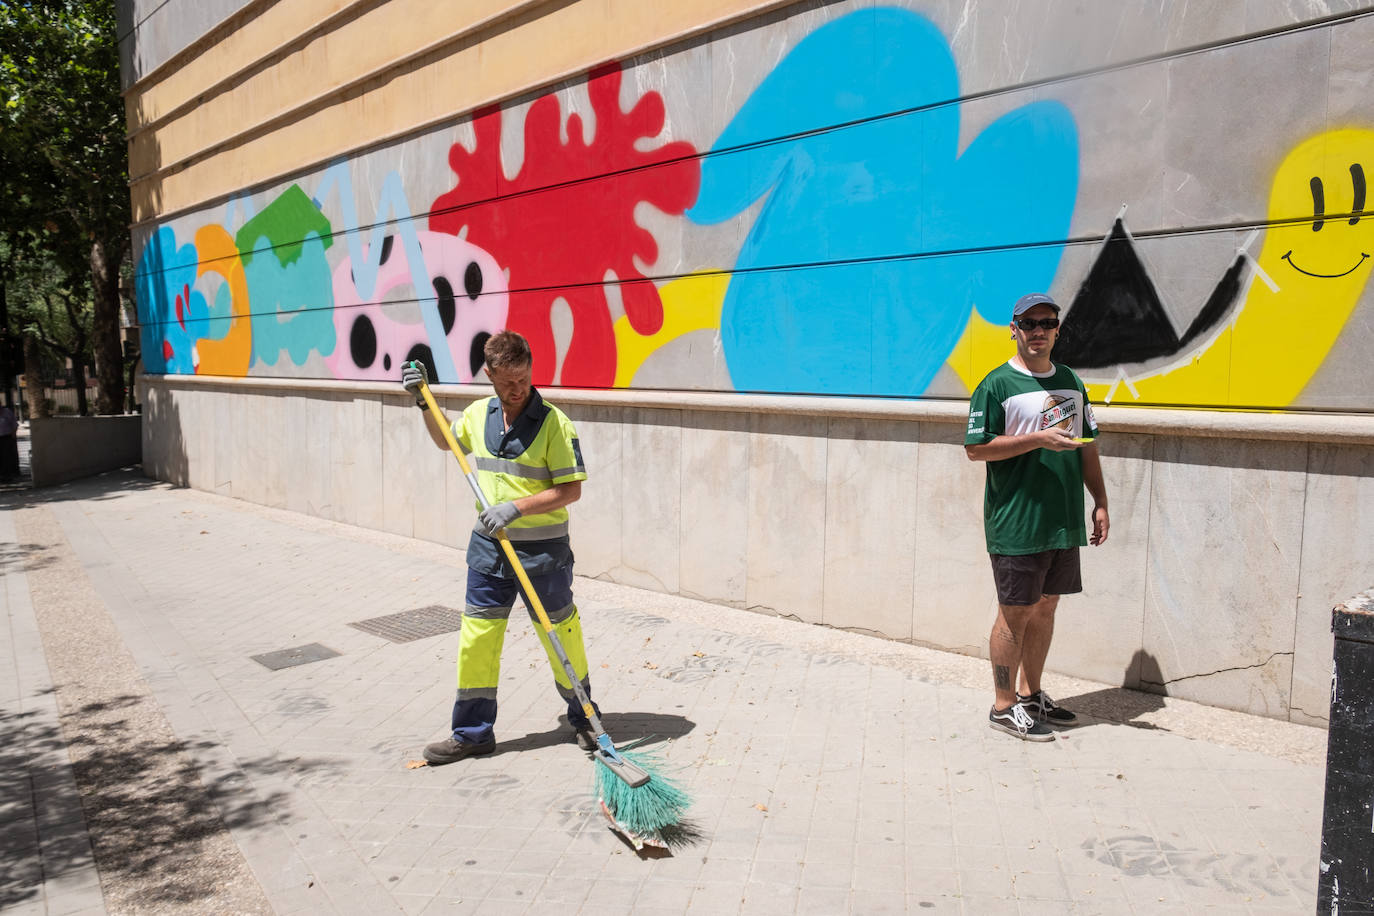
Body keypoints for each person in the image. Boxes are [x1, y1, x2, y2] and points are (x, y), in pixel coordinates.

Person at [402, 331, 600, 764]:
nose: (518, 388)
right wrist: (424, 402)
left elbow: (571, 490)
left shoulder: (555, 424)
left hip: (543, 555)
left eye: (524, 378)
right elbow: (447, 442)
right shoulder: (478, 414)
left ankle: (585, 717)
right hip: (489, 551)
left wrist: (516, 508)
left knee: (561, 636)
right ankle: (472, 733)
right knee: (477, 639)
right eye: (508, 381)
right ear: (489, 374)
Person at [964, 293, 1109, 741]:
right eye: (1029, 324)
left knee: (1046, 607)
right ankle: (1003, 706)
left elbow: (1088, 447)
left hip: (1061, 519)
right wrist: (1037, 439)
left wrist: (1100, 501)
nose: (1038, 331)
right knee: (1015, 613)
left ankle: (1030, 695)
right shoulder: (996, 385)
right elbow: (975, 449)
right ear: (1014, 330)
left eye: (1047, 323)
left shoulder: (1070, 381)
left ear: (1057, 330)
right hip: (1017, 521)